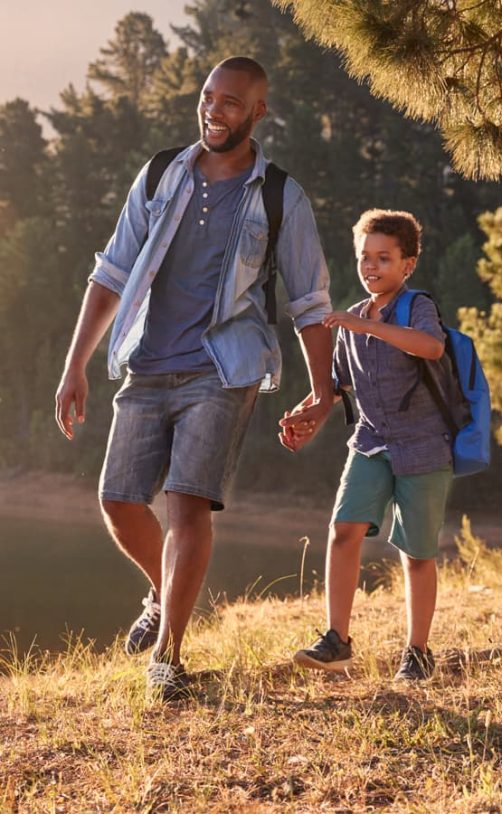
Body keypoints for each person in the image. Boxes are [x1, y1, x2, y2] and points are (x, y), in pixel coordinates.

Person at [54, 57, 334, 701]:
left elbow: (310, 301)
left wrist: (322, 391)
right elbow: (111, 272)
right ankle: (164, 592)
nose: (215, 110)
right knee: (119, 501)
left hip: (224, 368)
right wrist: (75, 366)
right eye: (209, 97)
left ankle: (168, 657)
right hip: (147, 362)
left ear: (258, 112)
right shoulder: (160, 173)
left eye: (232, 102)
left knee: (186, 501)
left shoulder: (279, 195)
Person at [290, 209, 451, 682]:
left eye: (384, 258)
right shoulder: (353, 318)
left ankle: (417, 652)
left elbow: (431, 347)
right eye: (365, 257)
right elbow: (336, 387)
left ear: (408, 264)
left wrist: (369, 328)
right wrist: (307, 416)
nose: (371, 267)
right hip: (371, 442)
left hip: (423, 446)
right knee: (343, 531)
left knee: (416, 554)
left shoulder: (416, 305)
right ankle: (337, 639)